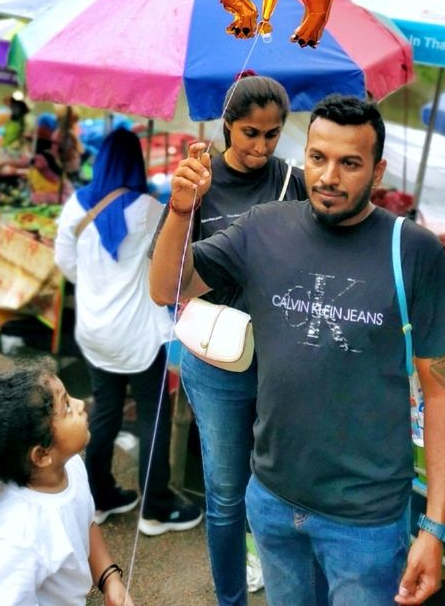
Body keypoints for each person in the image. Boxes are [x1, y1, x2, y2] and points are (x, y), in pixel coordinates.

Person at [150, 93, 445, 606]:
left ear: (378, 170)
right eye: (318, 158)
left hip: (364, 521)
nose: (328, 177)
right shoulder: (264, 226)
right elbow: (168, 287)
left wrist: (434, 527)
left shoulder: (414, 251)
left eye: (350, 163)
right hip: (273, 500)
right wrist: (180, 209)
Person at [173, 73, 306, 605]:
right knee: (226, 493)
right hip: (217, 355)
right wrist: (184, 206)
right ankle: (231, 599)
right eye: (250, 132)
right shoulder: (202, 180)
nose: (261, 146)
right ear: (228, 126)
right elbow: (173, 271)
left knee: (281, 489)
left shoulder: (294, 179)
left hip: (281, 356)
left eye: (272, 134)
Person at [54, 128, 202, 536]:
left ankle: (99, 497)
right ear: (136, 163)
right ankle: (156, 507)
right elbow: (170, 267)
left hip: (95, 331)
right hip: (138, 336)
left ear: (101, 161)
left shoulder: (74, 207)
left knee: (104, 409)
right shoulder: (151, 210)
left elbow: (66, 264)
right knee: (153, 416)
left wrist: (99, 285)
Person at [0, 362, 134, 606]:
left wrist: (109, 578)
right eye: (67, 406)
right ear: (41, 455)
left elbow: (85, 522)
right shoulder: (18, 541)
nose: (81, 403)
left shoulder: (70, 466)